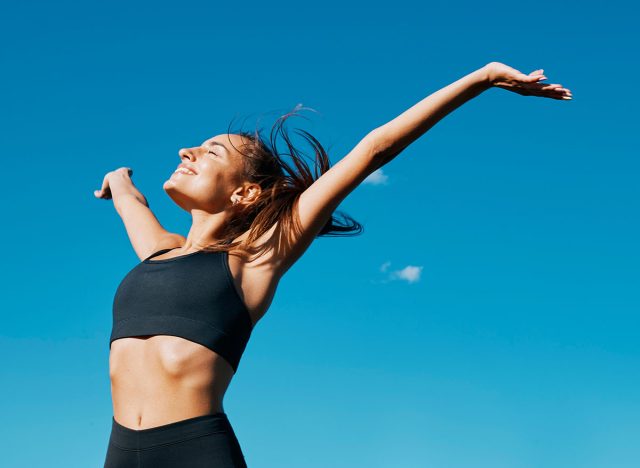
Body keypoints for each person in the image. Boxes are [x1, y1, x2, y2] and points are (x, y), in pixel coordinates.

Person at [95, 61, 571, 467]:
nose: (187, 151)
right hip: (119, 449)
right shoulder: (158, 251)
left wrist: (482, 78)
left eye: (211, 151)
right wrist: (117, 179)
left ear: (245, 193)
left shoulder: (258, 257)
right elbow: (129, 199)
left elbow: (373, 149)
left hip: (194, 448)